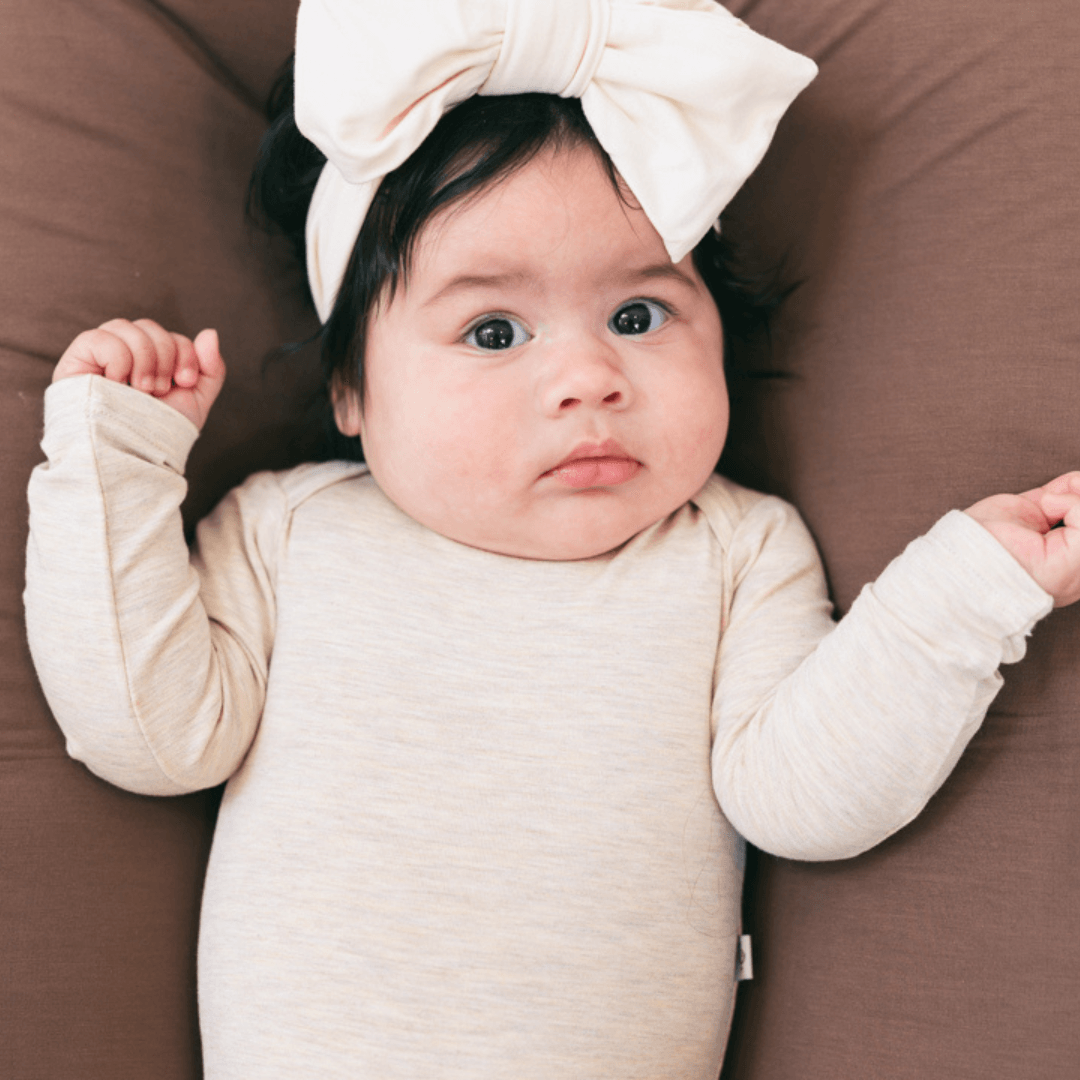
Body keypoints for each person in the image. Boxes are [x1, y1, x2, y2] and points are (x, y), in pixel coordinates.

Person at [23, 1, 1080, 1077]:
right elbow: (152, 736)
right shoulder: (290, 530)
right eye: (494, 332)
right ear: (352, 390)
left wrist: (966, 591)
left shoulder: (735, 549)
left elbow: (799, 799)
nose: (588, 378)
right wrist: (119, 460)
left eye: (638, 316)